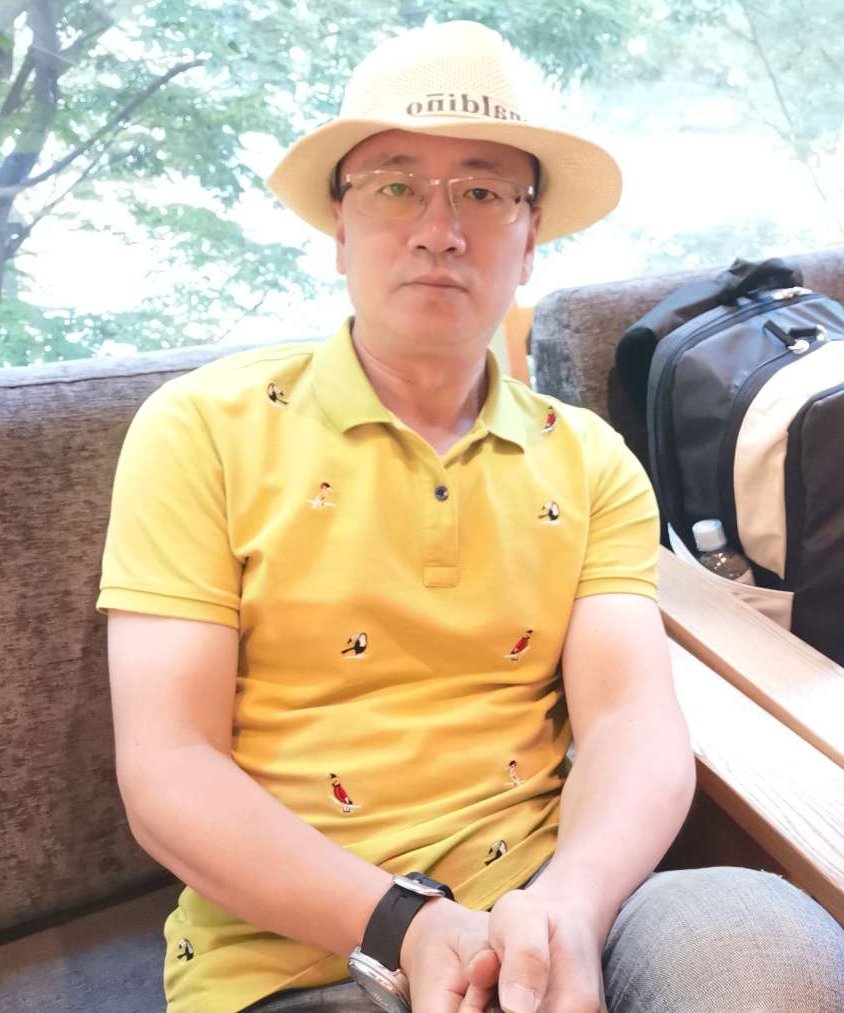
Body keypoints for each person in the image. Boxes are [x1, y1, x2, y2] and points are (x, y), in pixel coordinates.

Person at [97, 19, 844, 1013]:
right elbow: (168, 767)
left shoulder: (589, 461)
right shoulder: (200, 429)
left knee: (767, 944)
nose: (439, 229)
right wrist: (408, 923)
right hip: (300, 957)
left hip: (553, 912)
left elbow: (629, 719)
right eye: (395, 185)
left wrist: (571, 904)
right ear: (339, 226)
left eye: (484, 192)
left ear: (529, 238)